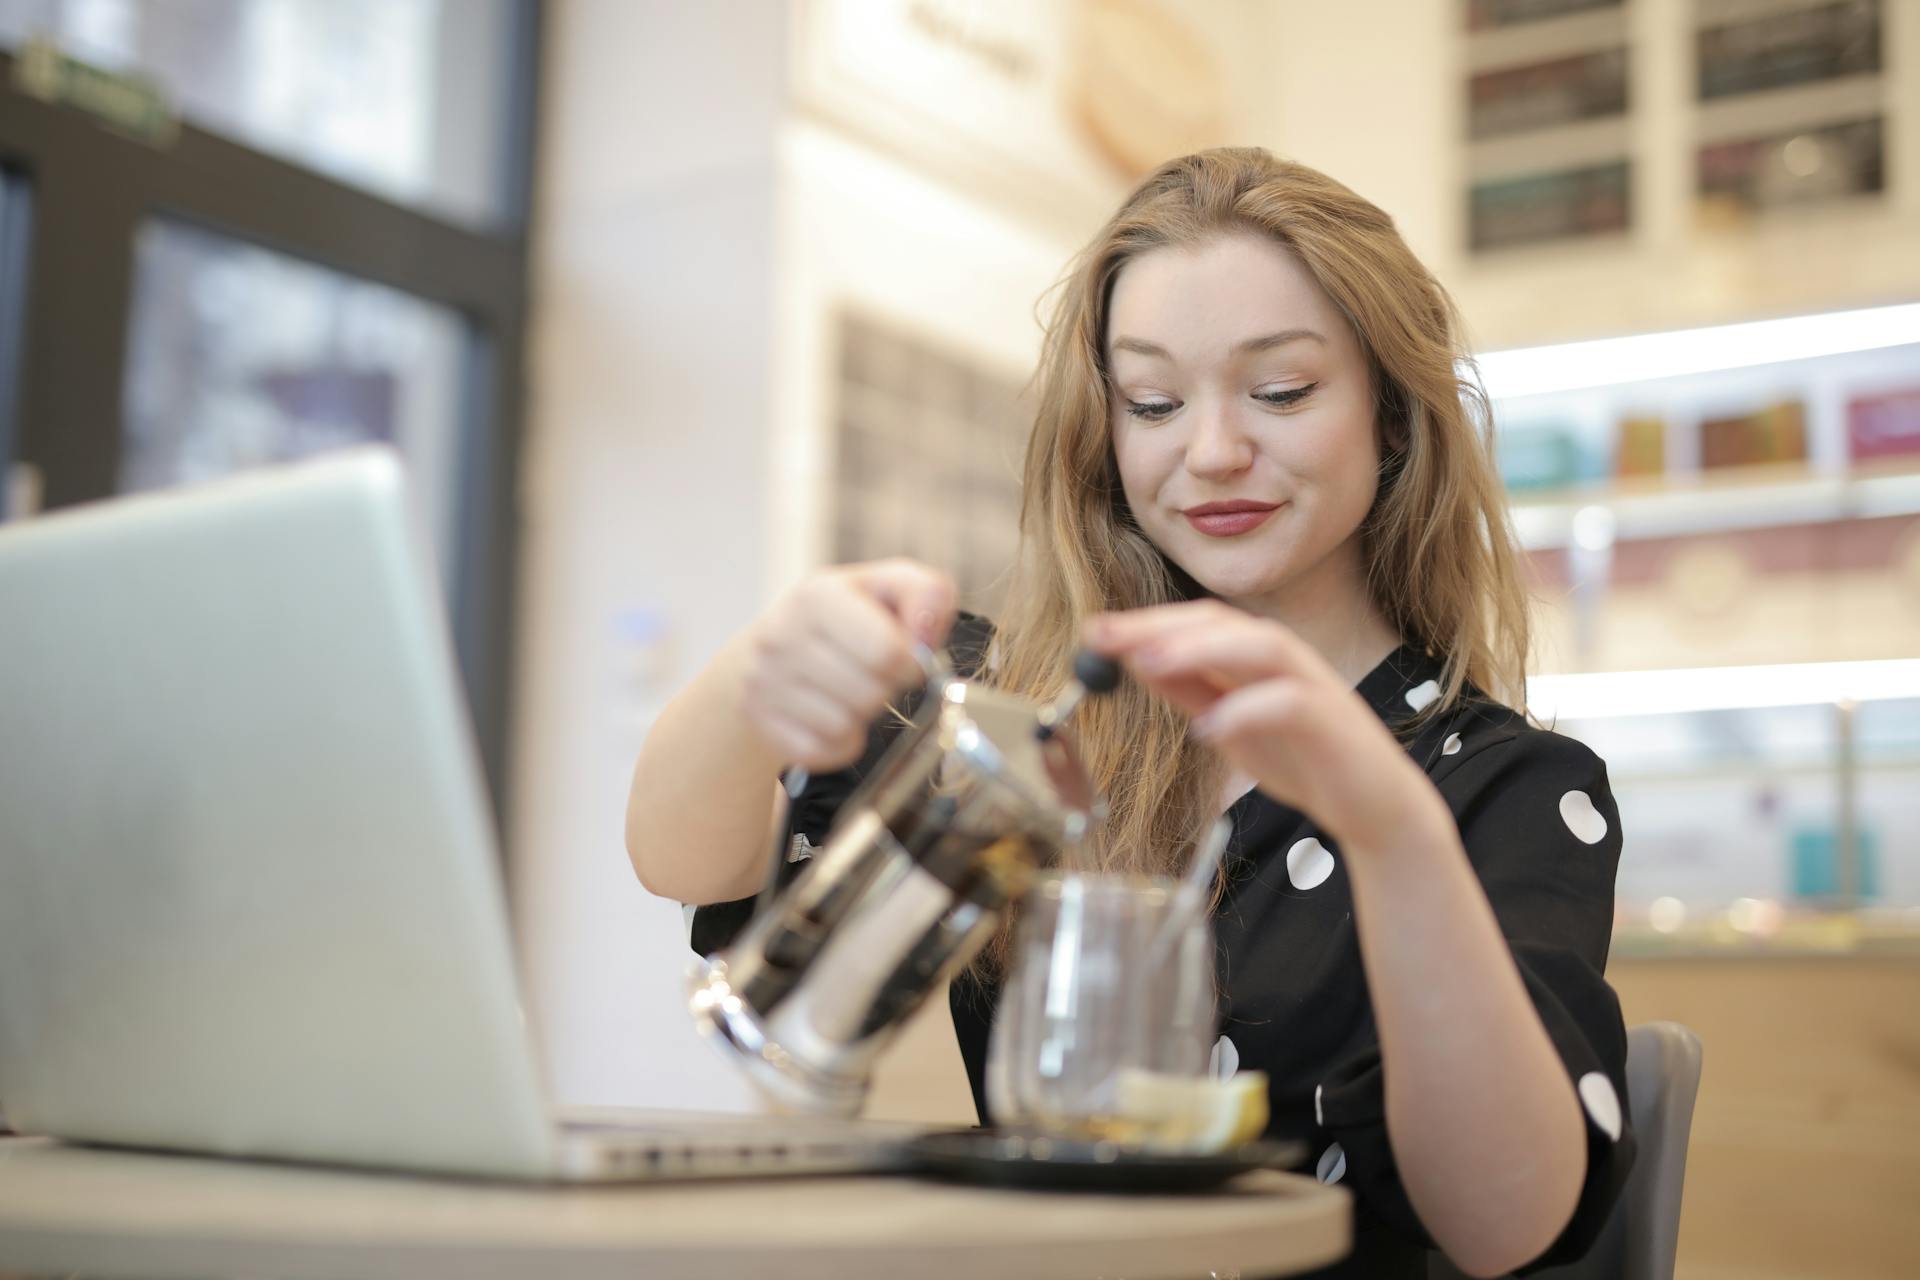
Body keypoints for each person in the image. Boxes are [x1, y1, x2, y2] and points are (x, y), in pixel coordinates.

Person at [626, 148, 1633, 1279]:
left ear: (1393, 416)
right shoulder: (1021, 710)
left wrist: (1389, 827)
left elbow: (1508, 1223)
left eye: (1283, 390)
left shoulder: (1500, 785)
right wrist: (759, 678)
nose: (1211, 451)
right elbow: (682, 857)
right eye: (1152, 401)